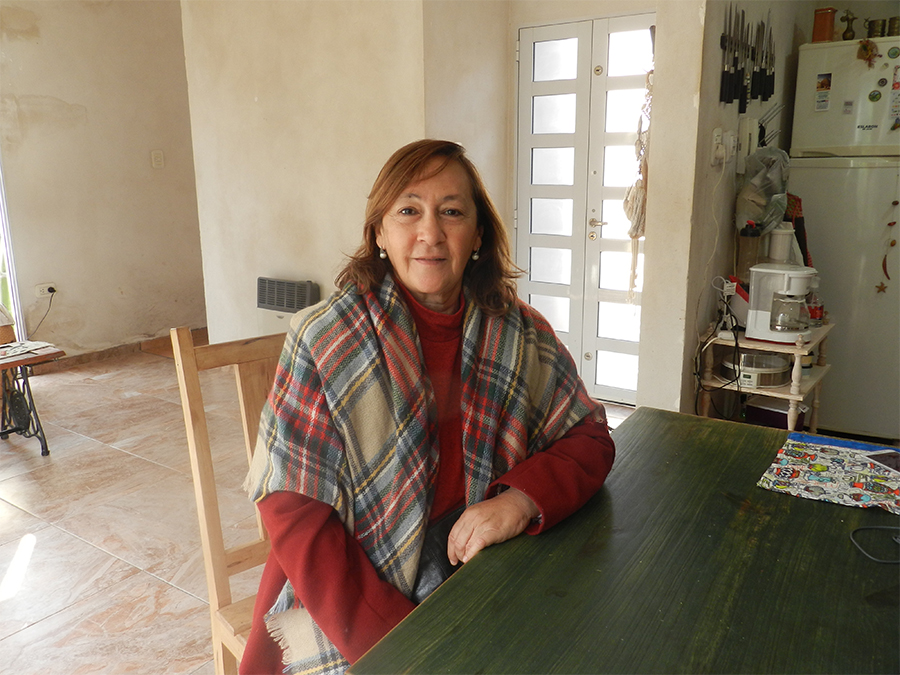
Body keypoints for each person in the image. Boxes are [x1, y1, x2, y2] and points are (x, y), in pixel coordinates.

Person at [241, 139, 616, 675]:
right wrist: (405, 648)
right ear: (379, 231)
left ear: (479, 234)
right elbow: (293, 509)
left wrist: (519, 500)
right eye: (408, 211)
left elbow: (590, 437)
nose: (431, 233)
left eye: (452, 212)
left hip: (478, 570)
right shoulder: (325, 338)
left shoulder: (520, 332)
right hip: (351, 595)